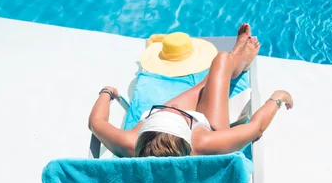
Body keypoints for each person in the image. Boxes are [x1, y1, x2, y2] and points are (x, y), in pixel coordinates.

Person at [88, 24, 293, 158]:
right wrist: (278, 98)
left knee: (208, 81)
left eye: (158, 112)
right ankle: (237, 60)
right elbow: (255, 128)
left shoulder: (129, 144)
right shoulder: (204, 142)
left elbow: (96, 123)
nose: (174, 108)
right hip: (210, 125)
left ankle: (233, 57)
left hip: (176, 132)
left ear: (143, 137)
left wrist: (107, 91)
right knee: (219, 63)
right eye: (178, 114)